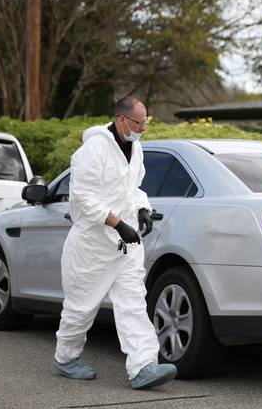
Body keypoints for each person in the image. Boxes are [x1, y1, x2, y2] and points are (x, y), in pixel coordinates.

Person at [53, 95, 177, 389]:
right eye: (138, 123)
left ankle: (144, 366)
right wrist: (116, 223)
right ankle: (66, 358)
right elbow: (83, 197)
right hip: (91, 245)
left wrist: (143, 209)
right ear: (122, 119)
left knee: (133, 302)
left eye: (145, 123)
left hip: (126, 246)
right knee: (81, 307)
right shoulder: (93, 149)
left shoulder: (135, 149)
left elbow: (131, 189)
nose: (143, 128)